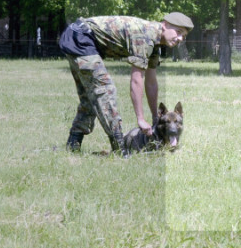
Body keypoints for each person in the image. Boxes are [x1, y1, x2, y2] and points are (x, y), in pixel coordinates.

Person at [59, 12, 193, 157]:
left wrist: (156, 117)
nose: (180, 38)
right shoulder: (145, 37)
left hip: (78, 36)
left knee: (90, 96)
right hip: (80, 37)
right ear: (165, 25)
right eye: (178, 32)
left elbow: (151, 82)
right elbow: (136, 80)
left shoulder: (155, 44)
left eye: (184, 36)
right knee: (105, 90)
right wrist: (140, 119)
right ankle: (120, 149)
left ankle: (73, 144)